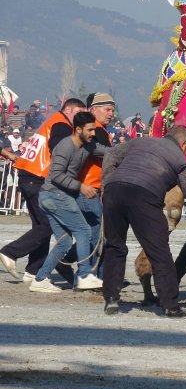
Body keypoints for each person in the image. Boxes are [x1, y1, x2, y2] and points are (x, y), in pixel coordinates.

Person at [101, 125, 186, 318]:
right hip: (144, 196)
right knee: (159, 252)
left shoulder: (140, 142)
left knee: (115, 247)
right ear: (183, 144)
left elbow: (110, 153)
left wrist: (106, 182)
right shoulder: (179, 159)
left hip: (114, 190)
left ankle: (111, 299)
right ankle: (170, 305)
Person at [0, 98, 85, 283]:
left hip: (29, 175)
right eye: (79, 111)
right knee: (47, 225)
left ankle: (33, 269)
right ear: (68, 110)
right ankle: (10, 252)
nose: (81, 116)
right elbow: (58, 149)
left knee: (41, 225)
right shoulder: (62, 124)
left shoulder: (53, 120)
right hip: (37, 176)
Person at [30, 112, 108, 292]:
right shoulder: (65, 146)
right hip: (54, 195)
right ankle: (84, 276)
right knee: (83, 231)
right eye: (89, 130)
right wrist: (81, 186)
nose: (93, 134)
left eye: (94, 130)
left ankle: (40, 279)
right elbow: (56, 175)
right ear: (78, 129)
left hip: (52, 197)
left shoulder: (88, 146)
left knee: (64, 243)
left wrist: (132, 149)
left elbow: (108, 151)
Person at [75, 92, 116, 277]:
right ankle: (87, 275)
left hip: (91, 187)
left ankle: (98, 275)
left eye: (112, 110)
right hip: (90, 187)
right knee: (95, 235)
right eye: (107, 109)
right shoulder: (95, 130)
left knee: (95, 234)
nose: (111, 114)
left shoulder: (98, 129)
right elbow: (105, 154)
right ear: (93, 110)